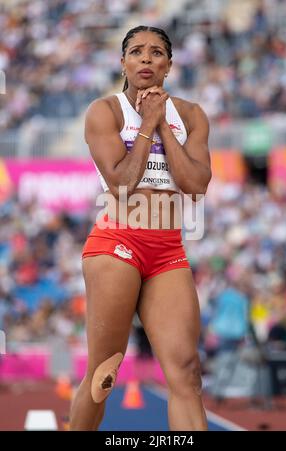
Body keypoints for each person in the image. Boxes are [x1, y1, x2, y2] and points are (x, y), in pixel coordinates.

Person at [70, 25, 211, 431]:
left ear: (169, 64)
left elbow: (196, 185)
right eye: (136, 52)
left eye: (155, 53)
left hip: (167, 249)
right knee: (104, 375)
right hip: (118, 242)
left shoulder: (192, 115)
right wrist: (146, 124)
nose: (146, 59)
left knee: (186, 371)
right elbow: (121, 184)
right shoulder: (106, 111)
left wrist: (162, 122)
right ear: (123, 63)